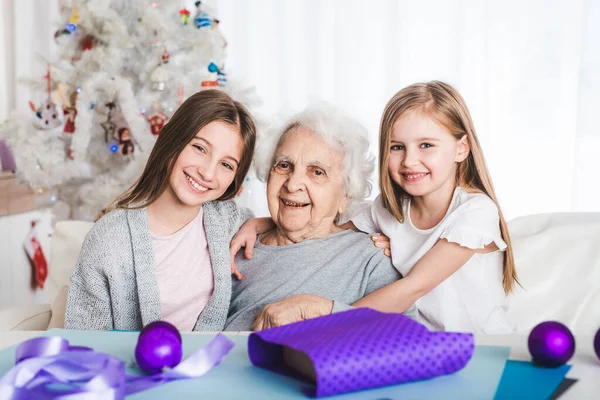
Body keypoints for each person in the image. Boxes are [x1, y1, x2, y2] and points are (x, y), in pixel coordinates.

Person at [65, 90, 257, 332]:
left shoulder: (226, 219)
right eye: (199, 148)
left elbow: (281, 225)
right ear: (173, 139)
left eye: (226, 164)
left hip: (209, 367)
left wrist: (256, 225)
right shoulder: (108, 240)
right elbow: (85, 340)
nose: (208, 173)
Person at [226, 104, 415, 331]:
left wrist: (320, 310)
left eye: (317, 172)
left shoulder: (371, 261)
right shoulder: (233, 245)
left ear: (345, 195)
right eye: (284, 166)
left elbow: (408, 340)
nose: (293, 184)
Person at [348, 81, 518, 333]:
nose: (409, 160)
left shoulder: (476, 211)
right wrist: (268, 225)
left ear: (461, 149)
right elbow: (327, 228)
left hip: (484, 348)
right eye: (397, 147)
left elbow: (414, 286)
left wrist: (329, 325)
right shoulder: (388, 207)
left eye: (426, 145)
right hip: (425, 348)